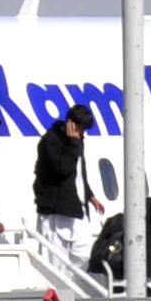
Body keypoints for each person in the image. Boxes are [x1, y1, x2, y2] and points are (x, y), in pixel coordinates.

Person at [30, 103, 101, 266]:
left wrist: (89, 195)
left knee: (84, 259)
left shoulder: (76, 140)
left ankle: (85, 291)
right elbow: (64, 168)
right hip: (57, 211)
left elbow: (78, 172)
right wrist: (74, 144)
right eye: (81, 128)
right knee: (57, 262)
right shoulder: (52, 140)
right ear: (70, 123)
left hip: (77, 209)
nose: (83, 134)